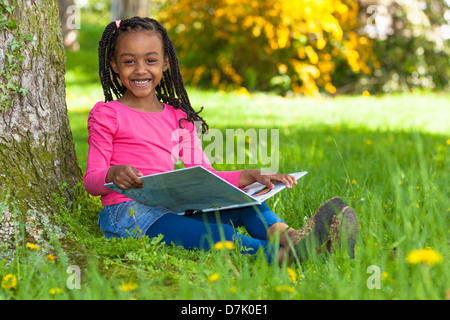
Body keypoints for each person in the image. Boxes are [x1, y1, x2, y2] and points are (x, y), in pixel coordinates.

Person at [84, 17, 359, 265]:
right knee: (217, 234)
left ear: (166, 63)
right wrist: (112, 173)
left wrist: (247, 176)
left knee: (246, 205)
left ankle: (296, 239)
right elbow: (92, 180)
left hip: (172, 207)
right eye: (129, 61)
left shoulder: (178, 117)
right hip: (129, 215)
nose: (140, 70)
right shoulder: (108, 114)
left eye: (150, 60)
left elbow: (207, 177)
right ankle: (285, 257)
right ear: (114, 65)